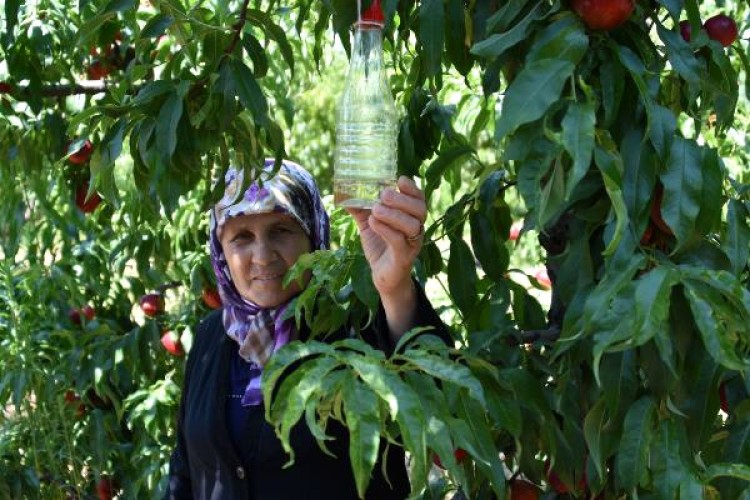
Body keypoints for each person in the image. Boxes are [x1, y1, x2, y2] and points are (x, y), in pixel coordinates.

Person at [166, 159, 449, 499]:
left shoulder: (355, 322)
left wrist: (395, 287)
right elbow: (184, 472)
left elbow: (438, 408)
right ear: (221, 250)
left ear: (312, 235)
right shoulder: (212, 336)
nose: (262, 255)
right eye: (241, 237)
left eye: (281, 230)